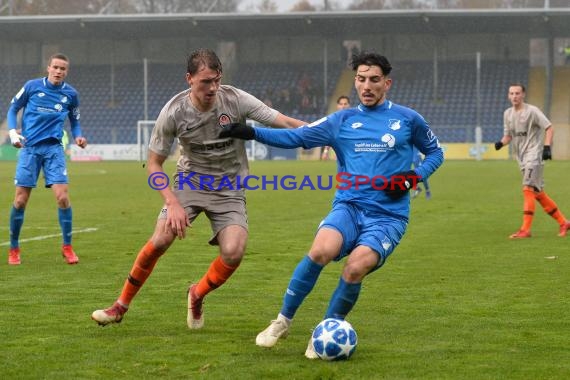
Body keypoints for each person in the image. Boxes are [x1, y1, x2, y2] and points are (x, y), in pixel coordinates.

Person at [220, 51, 444, 358]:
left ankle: (326, 330)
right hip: (349, 207)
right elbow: (299, 137)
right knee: (320, 251)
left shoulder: (407, 119)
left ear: (387, 83)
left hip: (388, 216)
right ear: (355, 81)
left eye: (374, 80)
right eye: (361, 79)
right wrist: (251, 133)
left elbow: (435, 153)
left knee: (355, 268)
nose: (367, 86)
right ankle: (282, 321)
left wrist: (414, 177)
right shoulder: (342, 120)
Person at [91, 49, 306, 327]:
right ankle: (120, 306)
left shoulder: (236, 99)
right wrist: (172, 203)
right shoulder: (173, 112)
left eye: (216, 80)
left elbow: (286, 122)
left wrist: (325, 133)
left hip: (229, 187)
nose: (213, 87)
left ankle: (197, 293)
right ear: (189, 79)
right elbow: (154, 165)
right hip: (189, 182)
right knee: (160, 240)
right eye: (205, 81)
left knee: (234, 251)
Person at [6, 53, 87, 265]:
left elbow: (75, 121)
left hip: (54, 150)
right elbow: (13, 108)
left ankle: (67, 247)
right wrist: (13, 132)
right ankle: (14, 248)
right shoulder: (32, 86)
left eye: (63, 69)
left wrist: (78, 135)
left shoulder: (71, 94)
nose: (59, 71)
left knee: (62, 198)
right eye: (56, 67)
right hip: (30, 148)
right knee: (20, 200)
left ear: (66, 71)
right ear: (48, 68)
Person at [494, 83, 570, 239]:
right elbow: (509, 135)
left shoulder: (533, 111)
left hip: (534, 155)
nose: (514, 96)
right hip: (521, 157)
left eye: (517, 93)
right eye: (511, 93)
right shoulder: (507, 114)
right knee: (537, 193)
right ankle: (564, 223)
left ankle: (525, 229)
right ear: (509, 96)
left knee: (527, 188)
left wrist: (547, 146)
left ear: (523, 95)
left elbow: (549, 127)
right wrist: (501, 143)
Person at [321, 95, 350, 160]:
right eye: (341, 104)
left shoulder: (354, 120)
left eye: (345, 104)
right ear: (337, 106)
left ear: (349, 105)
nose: (343, 106)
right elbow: (330, 136)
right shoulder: (333, 121)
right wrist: (325, 152)